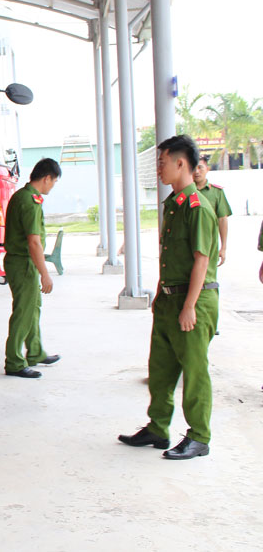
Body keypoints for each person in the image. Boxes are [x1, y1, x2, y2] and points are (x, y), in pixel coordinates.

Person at [119, 135, 219, 460]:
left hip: (193, 302)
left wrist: (189, 306)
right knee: (160, 369)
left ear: (181, 163)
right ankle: (158, 428)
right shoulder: (172, 205)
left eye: (162, 162)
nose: (158, 168)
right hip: (168, 300)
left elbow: (202, 260)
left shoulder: (198, 208)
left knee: (194, 371)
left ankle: (199, 436)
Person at [3, 157, 62, 379]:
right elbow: (34, 242)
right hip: (23, 263)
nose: (52, 186)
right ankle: (15, 362)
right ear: (46, 178)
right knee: (24, 312)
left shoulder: (24, 196)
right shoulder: (29, 201)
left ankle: (35, 352)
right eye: (53, 181)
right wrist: (45, 274)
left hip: (22, 262)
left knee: (33, 308)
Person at [192, 154, 231, 266]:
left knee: (208, 278)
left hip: (209, 244)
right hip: (188, 244)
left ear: (207, 169)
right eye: (194, 168)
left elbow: (222, 219)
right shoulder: (185, 193)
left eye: (200, 167)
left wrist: (223, 248)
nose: (197, 171)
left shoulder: (216, 192)